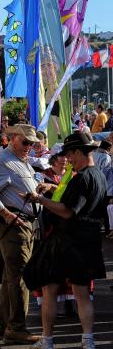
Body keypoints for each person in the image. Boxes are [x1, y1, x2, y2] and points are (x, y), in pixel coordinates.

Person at [23, 132, 107, 349]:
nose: (68, 159)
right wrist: (53, 189)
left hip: (68, 242)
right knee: (82, 294)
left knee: (50, 290)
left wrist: (39, 199)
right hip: (89, 240)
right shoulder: (98, 175)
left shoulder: (81, 178)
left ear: (78, 151)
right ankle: (88, 340)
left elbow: (68, 211)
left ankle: (48, 340)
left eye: (70, 154)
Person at [0, 124, 42, 344]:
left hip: (22, 223)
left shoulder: (17, 160)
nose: (29, 147)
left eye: (31, 143)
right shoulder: (2, 160)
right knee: (20, 277)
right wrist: (6, 215)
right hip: (14, 225)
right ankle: (16, 327)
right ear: (12, 139)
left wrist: (40, 188)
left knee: (11, 278)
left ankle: (2, 327)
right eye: (25, 142)